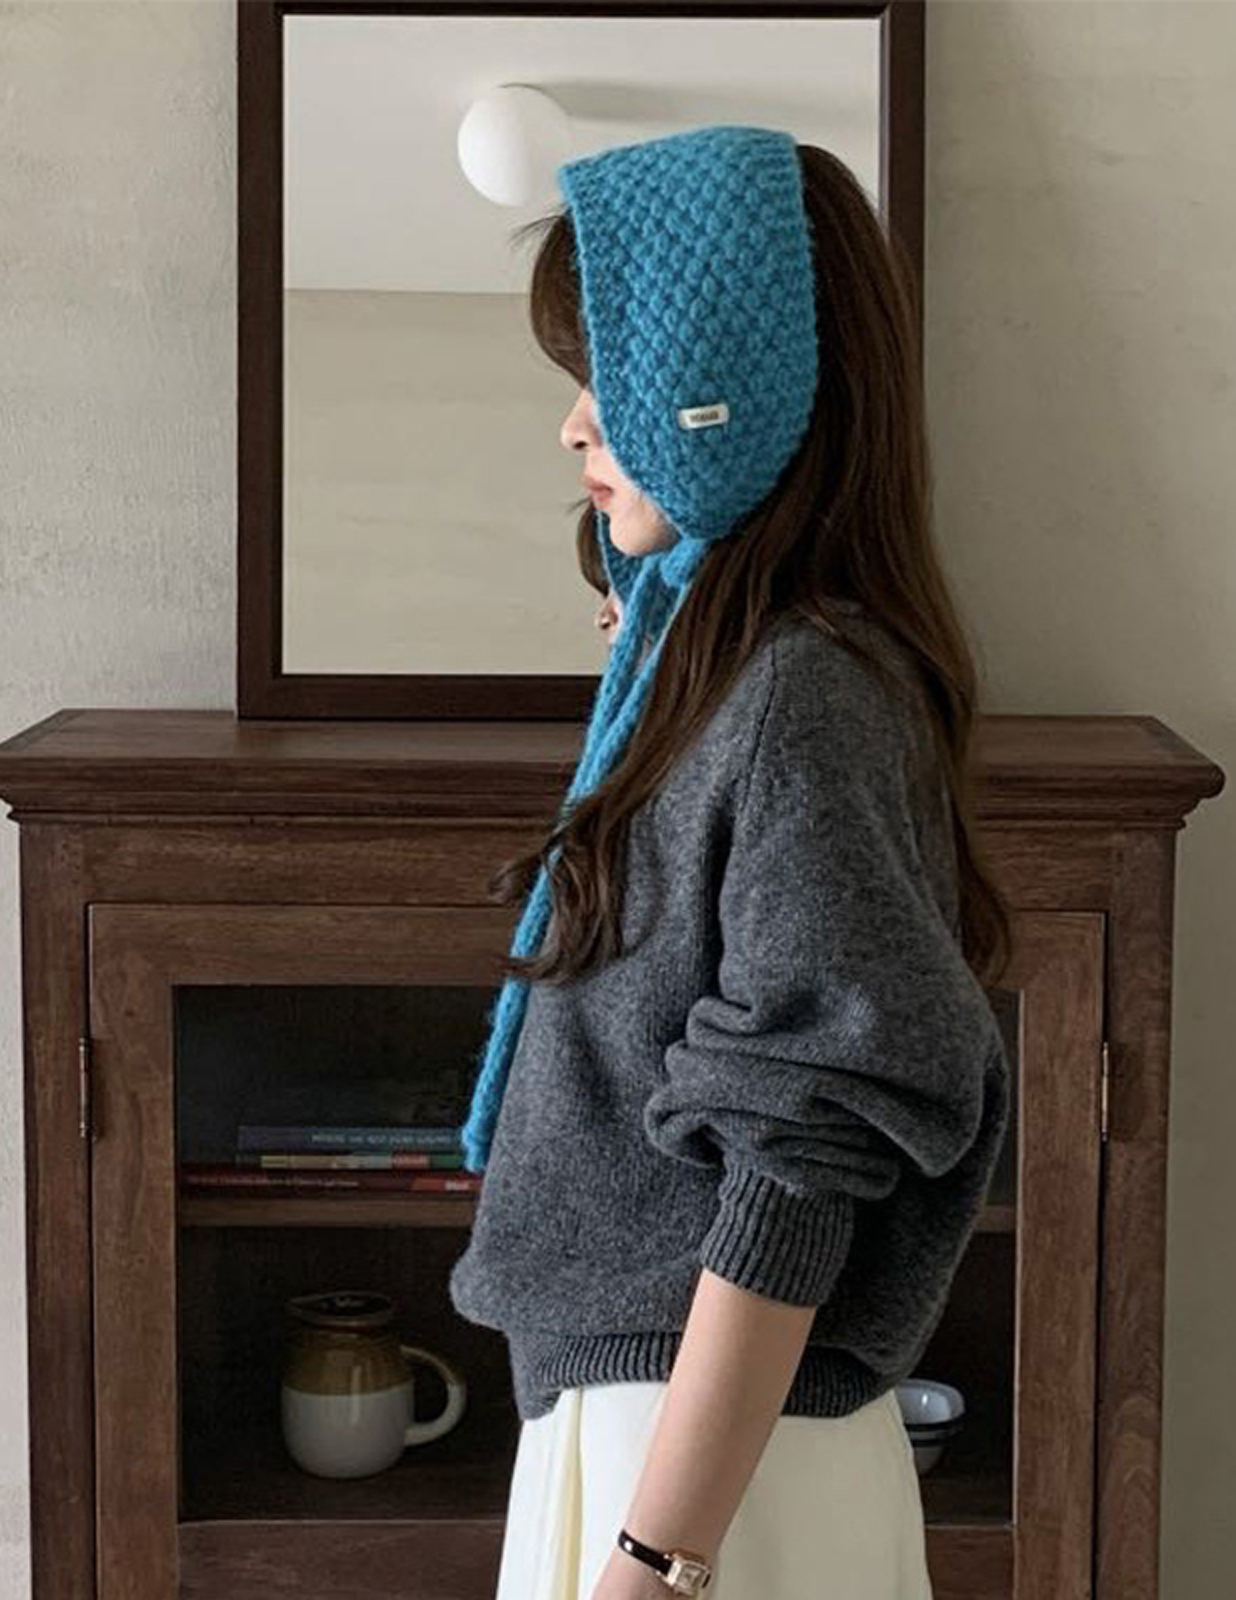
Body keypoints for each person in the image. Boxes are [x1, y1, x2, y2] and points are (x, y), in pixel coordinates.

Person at [448, 125, 1014, 1600]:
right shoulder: (737, 681)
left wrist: (656, 1557)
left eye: (610, 378)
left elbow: (799, 1147)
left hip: (702, 1467)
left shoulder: (799, 694)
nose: (573, 426)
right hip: (670, 1439)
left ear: (718, 394)